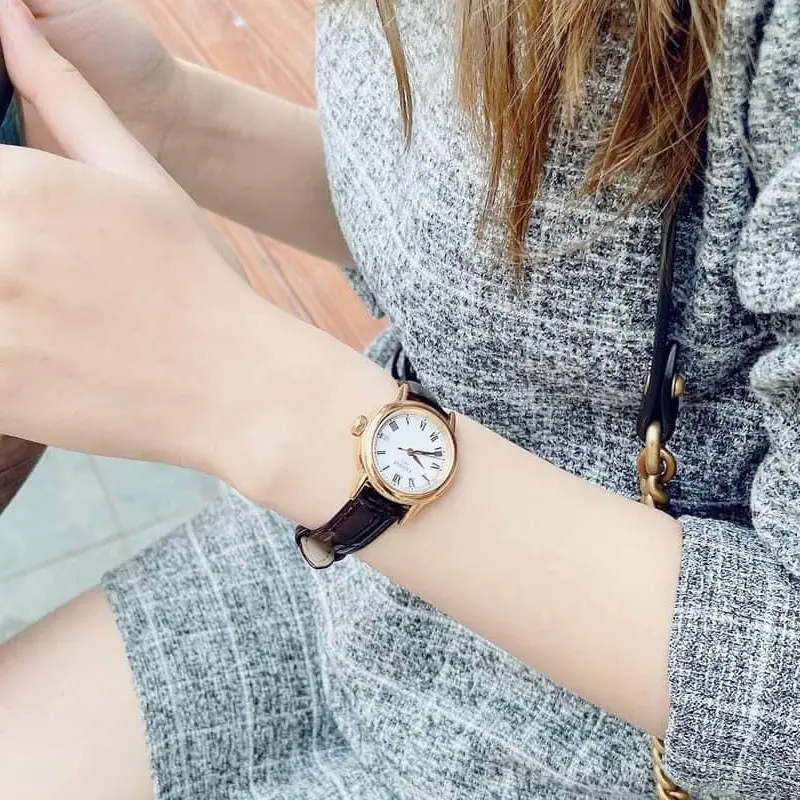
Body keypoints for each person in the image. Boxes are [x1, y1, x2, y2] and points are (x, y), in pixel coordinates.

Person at [0, 0, 797, 796]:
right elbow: (471, 254)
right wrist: (171, 116)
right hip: (349, 565)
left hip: (615, 727)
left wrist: (249, 393)